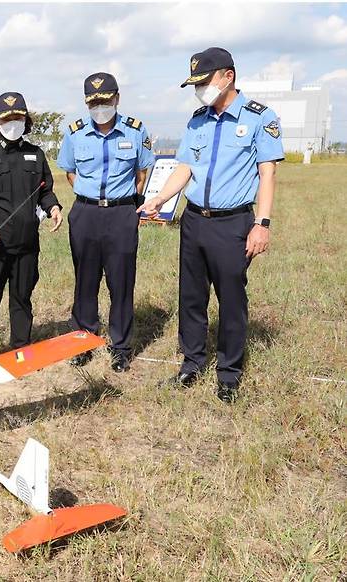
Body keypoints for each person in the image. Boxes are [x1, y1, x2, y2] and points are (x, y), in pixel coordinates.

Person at [138, 47, 284, 403]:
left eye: (204, 82)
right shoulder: (197, 120)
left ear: (227, 76)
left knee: (231, 299)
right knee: (191, 296)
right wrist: (159, 198)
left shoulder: (259, 118)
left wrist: (261, 224)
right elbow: (185, 168)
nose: (199, 89)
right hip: (194, 221)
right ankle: (191, 365)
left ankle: (229, 373)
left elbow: (267, 175)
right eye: (195, 84)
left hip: (232, 223)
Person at [57, 72, 155, 372]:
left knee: (121, 282)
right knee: (85, 281)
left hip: (121, 214)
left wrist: (125, 203)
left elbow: (142, 174)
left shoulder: (135, 131)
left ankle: (121, 347)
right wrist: (90, 199)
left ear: (117, 98)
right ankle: (83, 341)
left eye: (106, 100)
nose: (100, 106)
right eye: (94, 102)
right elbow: (71, 172)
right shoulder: (74, 133)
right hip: (85, 213)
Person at [0, 93, 63, 359]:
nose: (13, 122)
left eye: (18, 117)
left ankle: (21, 345)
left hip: (26, 243)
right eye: (7, 118)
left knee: (22, 297)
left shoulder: (36, 154)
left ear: (26, 119)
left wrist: (54, 207)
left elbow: (45, 191)